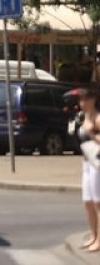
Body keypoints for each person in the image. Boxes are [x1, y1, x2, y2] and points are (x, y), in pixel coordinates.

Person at [79, 86, 100, 251]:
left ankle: (99, 240)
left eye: (84, 99)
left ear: (93, 100)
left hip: (97, 163)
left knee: (98, 202)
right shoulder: (83, 117)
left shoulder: (98, 119)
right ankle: (93, 235)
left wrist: (91, 133)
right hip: (86, 162)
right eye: (80, 100)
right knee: (87, 202)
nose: (81, 103)